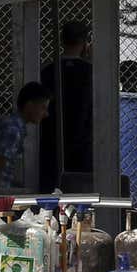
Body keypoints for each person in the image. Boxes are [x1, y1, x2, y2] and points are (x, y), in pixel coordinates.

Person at [39, 20, 93, 191]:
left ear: (62, 41)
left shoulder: (48, 70)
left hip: (51, 137)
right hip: (82, 138)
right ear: (85, 43)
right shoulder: (90, 71)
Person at [0, 82, 50, 191]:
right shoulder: (13, 130)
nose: (45, 114)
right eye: (43, 107)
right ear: (29, 106)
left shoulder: (13, 126)